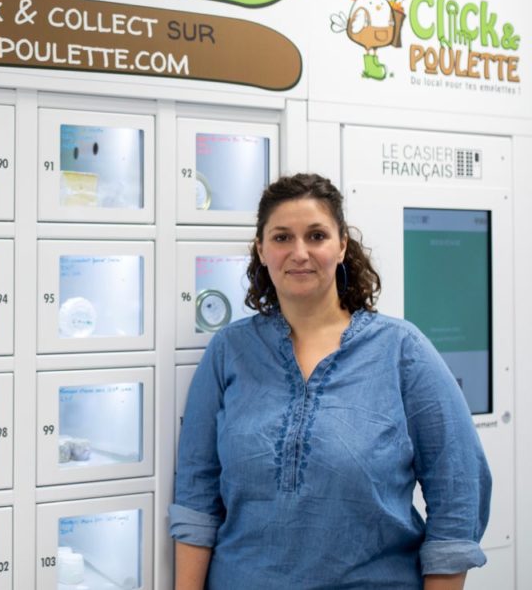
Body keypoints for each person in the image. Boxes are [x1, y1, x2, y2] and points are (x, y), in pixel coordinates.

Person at [170, 173, 491, 589]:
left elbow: (458, 493)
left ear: (341, 245)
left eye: (316, 235)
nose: (299, 252)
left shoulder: (402, 350)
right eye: (282, 237)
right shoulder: (229, 351)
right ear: (262, 250)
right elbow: (196, 497)